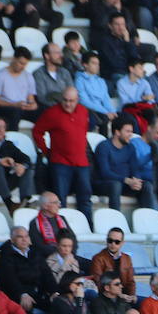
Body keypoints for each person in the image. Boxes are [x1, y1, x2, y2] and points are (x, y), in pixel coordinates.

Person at [32, 87, 93, 222]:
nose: (68, 104)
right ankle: (61, 229)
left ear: (77, 100)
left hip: (81, 162)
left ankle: (88, 227)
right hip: (60, 163)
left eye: (71, 101)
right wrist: (46, 151)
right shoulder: (52, 113)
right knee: (60, 200)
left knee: (85, 199)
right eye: (65, 100)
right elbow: (37, 131)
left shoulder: (83, 111)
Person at [95, 117, 157, 210]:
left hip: (125, 184)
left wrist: (136, 180)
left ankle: (148, 219)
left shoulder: (130, 147)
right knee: (116, 185)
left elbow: (134, 168)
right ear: (117, 132)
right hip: (104, 184)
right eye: (127, 131)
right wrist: (126, 180)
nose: (131, 135)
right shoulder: (104, 146)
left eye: (131, 131)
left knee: (146, 186)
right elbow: (105, 172)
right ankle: (116, 220)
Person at [0, 226, 44, 314]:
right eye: (20, 237)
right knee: (26, 304)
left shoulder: (35, 252)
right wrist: (22, 294)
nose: (24, 240)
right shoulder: (4, 255)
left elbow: (47, 274)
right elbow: (9, 279)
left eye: (26, 236)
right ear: (12, 240)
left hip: (35, 292)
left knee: (58, 302)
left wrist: (54, 292)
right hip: (14, 293)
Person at [0, 47, 39, 129]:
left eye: (25, 64)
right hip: (6, 108)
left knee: (43, 111)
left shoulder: (28, 76)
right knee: (14, 112)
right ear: (13, 59)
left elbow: (31, 98)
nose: (23, 67)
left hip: (23, 107)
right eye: (21, 63)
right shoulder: (0, 75)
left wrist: (33, 104)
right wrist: (14, 105)